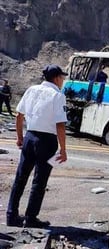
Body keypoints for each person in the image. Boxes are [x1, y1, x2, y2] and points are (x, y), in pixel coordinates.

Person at [6, 64, 68, 228]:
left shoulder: (32, 90)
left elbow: (19, 115)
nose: (62, 81)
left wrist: (20, 138)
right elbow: (60, 125)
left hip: (30, 136)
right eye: (62, 77)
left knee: (20, 178)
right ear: (56, 78)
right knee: (39, 182)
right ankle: (31, 218)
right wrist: (63, 149)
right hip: (47, 141)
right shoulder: (57, 95)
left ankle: (11, 216)